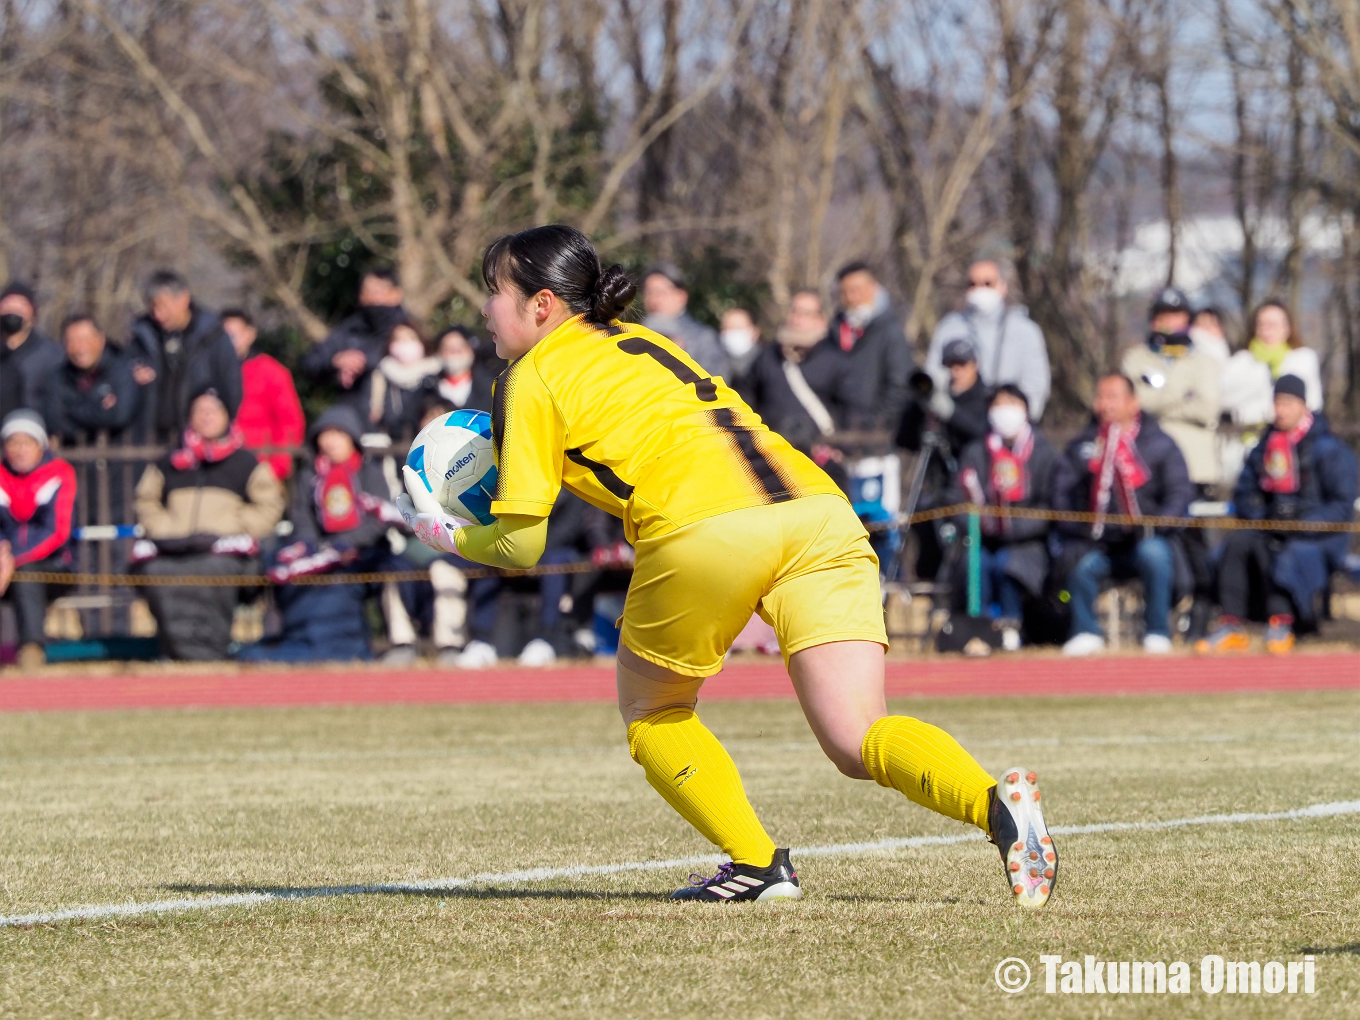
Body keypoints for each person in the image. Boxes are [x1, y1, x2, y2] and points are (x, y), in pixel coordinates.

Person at [397, 223, 1056, 907]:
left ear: (541, 304)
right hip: (818, 513)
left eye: (492, 292)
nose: (483, 309)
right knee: (859, 736)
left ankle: (757, 865)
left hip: (704, 529)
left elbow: (519, 546)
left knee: (654, 712)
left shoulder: (527, 378)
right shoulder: (645, 339)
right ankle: (995, 806)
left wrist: (439, 532)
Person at [238, 405, 418, 664]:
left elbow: (377, 520)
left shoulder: (369, 471)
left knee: (381, 573)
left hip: (366, 551)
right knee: (281, 567)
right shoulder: (308, 475)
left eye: (338, 434)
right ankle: (284, 635)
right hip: (321, 551)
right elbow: (302, 519)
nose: (331, 441)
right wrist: (314, 549)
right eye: (325, 434)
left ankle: (398, 642)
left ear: (351, 438)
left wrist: (348, 543)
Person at [1197, 375, 1359, 656]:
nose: (1281, 410)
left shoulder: (1328, 449)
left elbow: (1342, 506)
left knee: (1290, 553)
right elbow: (1244, 494)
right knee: (1238, 544)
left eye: (1287, 403)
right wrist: (1266, 516)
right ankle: (1231, 623)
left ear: (1303, 406)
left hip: (1318, 535)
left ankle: (1282, 622)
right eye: (1277, 403)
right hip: (1271, 527)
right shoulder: (1264, 447)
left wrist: (1299, 523)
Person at [132, 388, 285, 660]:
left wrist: (236, 526)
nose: (206, 417)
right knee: (159, 572)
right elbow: (146, 500)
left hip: (224, 553)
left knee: (214, 571)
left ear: (227, 416)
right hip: (174, 548)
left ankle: (208, 652)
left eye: (213, 410)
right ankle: (177, 652)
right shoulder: (168, 462)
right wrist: (165, 526)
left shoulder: (246, 463)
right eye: (199, 411)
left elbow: (270, 505)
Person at [1054, 374, 1195, 656]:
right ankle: (1085, 630)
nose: (1105, 405)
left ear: (1134, 403)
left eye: (1113, 397)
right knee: (1080, 566)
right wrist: (1084, 527)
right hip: (1101, 544)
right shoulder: (1082, 446)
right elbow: (1062, 497)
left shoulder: (1160, 444)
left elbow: (1180, 495)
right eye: (1101, 397)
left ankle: (1157, 631)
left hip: (1146, 540)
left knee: (1154, 556)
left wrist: (1153, 525)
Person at [946, 386, 1060, 651]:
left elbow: (1052, 505)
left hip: (1027, 541)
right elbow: (956, 497)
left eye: (1012, 403)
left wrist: (1013, 526)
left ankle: (1011, 626)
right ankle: (980, 627)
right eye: (999, 404)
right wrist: (980, 524)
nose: (1005, 411)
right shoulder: (976, 452)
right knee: (978, 564)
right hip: (982, 539)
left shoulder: (1044, 453)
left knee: (1010, 566)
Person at [895, 339, 992, 581]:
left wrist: (950, 413)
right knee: (923, 524)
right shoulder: (940, 396)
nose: (955, 372)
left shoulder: (986, 398)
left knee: (959, 540)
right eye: (950, 366)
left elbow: (981, 434)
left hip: (970, 485)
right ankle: (926, 584)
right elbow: (905, 440)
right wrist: (918, 404)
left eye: (961, 365)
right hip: (935, 484)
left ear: (975, 365)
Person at [1121, 287, 1222, 486]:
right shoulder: (1135, 359)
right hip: (1144, 464)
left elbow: (1207, 410)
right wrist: (1183, 395)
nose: (1169, 321)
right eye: (1163, 314)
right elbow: (1133, 406)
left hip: (1194, 465)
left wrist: (1158, 408)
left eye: (1176, 314)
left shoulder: (1204, 362)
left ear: (1187, 319)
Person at [925, 258, 1050, 418]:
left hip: (1007, 422)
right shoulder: (949, 327)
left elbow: (1036, 384)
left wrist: (1018, 420)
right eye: (972, 284)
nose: (979, 290)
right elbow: (933, 375)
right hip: (958, 420)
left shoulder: (1025, 330)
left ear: (1003, 287)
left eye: (987, 283)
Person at [0, 410, 76, 669]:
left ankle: (31, 650)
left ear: (40, 445)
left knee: (26, 572)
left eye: (26, 443)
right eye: (13, 443)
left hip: (52, 565)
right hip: (3, 563)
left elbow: (56, 532)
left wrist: (13, 559)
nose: (19, 450)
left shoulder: (59, 473)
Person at [128, 271, 242, 442]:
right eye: (153, 308)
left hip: (199, 440)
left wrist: (216, 426)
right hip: (151, 437)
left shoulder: (214, 336)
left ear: (183, 299)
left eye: (163, 306)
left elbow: (231, 387)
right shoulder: (142, 335)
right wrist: (133, 375)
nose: (158, 315)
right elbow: (122, 374)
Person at [745, 289, 850, 452]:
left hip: (821, 453)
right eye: (795, 311)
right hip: (773, 451)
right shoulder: (767, 356)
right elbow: (748, 398)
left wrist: (840, 448)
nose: (798, 318)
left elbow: (850, 410)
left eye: (806, 313)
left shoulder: (836, 360)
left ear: (821, 320)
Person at [302, 265, 411, 420]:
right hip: (354, 421)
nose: (373, 299)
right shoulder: (348, 330)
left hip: (402, 422)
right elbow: (311, 363)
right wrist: (335, 361)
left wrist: (363, 363)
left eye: (380, 292)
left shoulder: (411, 331)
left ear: (396, 294)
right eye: (367, 291)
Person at [826, 262, 913, 429]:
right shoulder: (835, 330)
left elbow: (900, 383)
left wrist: (878, 421)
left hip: (878, 434)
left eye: (856, 290)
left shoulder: (890, 330)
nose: (851, 298)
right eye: (844, 292)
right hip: (840, 430)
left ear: (873, 288)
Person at [222, 309, 305, 481]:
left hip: (260, 464)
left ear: (250, 334)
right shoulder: (209, 370)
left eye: (233, 336)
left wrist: (277, 468)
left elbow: (290, 421)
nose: (227, 343)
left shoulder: (271, 371)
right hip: (220, 464)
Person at [43, 315, 141, 446]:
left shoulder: (122, 369)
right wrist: (98, 409)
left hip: (121, 458)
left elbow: (119, 417)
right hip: (77, 458)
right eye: (72, 341)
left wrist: (70, 410)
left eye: (85, 339)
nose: (79, 348)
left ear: (101, 339)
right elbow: (54, 421)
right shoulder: (58, 377)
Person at [1221, 299, 1323, 424]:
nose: (1267, 330)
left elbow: (1312, 402)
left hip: (1290, 435)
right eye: (1261, 324)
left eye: (1273, 324)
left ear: (1287, 327)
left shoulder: (1303, 358)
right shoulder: (1242, 359)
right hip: (1243, 435)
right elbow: (1222, 397)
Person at [641, 263, 729, 379]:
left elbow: (716, 382)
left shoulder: (703, 337)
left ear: (681, 296)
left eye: (661, 292)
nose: (654, 299)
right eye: (649, 292)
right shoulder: (635, 331)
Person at [0, 281, 63, 422]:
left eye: (21, 304)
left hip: (35, 432)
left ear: (33, 313)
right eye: (8, 303)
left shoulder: (52, 355)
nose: (13, 309)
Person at [368, 321, 440, 440]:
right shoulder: (380, 377)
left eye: (410, 338)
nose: (405, 344)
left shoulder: (435, 375)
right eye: (398, 339)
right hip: (393, 444)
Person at [421, 325, 499, 413]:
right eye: (447, 348)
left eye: (459, 348)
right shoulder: (427, 388)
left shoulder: (492, 386)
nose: (454, 353)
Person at [717, 307, 762, 393]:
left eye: (739, 328)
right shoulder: (714, 364)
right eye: (729, 328)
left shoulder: (767, 363)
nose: (733, 333)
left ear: (755, 332)